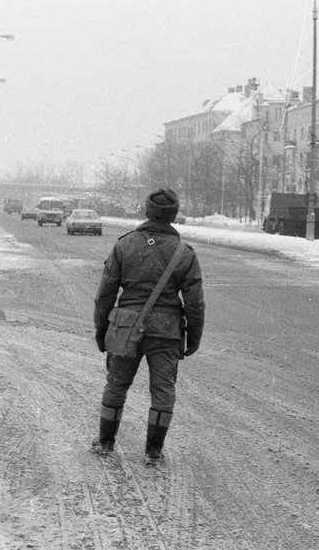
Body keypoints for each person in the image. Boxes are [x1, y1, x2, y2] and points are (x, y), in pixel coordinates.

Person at [91, 188, 205, 463]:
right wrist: (193, 338)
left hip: (125, 328)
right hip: (166, 331)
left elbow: (106, 293)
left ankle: (106, 442)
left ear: (147, 210)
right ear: (174, 215)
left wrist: (101, 330)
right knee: (163, 389)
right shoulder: (184, 253)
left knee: (116, 385)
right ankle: (154, 451)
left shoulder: (124, 245)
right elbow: (195, 303)